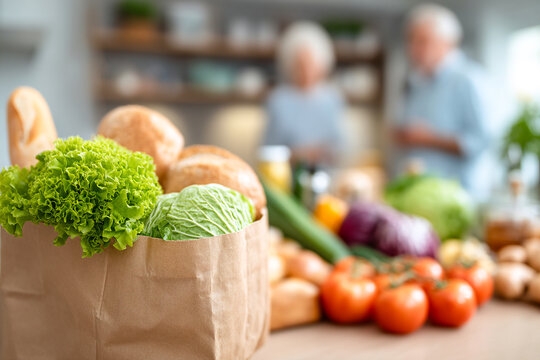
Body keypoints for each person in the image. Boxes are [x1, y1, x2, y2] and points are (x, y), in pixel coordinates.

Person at [393, 3, 491, 191]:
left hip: (458, 197)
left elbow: (480, 141)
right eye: (410, 40)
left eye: (423, 41)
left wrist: (430, 139)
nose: (413, 48)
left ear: (448, 43)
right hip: (420, 191)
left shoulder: (468, 80)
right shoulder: (416, 82)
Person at [263, 21, 345, 166]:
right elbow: (268, 149)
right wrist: (296, 154)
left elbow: (342, 147)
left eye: (310, 64)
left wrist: (322, 152)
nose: (306, 71)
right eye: (300, 65)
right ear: (289, 65)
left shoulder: (333, 99)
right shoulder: (278, 100)